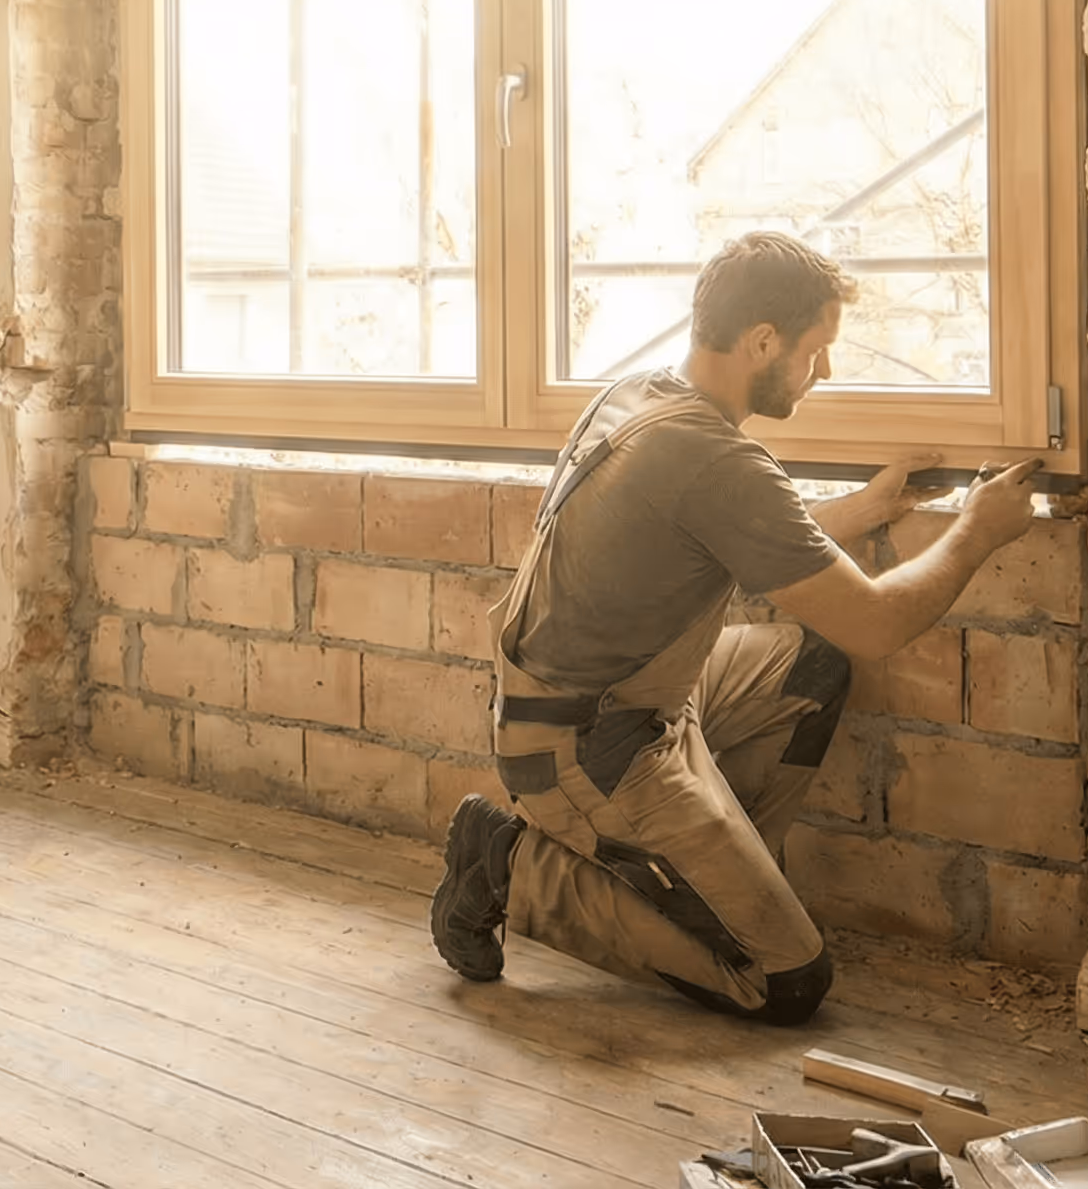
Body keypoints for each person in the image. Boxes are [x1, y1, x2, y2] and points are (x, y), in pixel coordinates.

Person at [428, 230, 1042, 1024]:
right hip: (587, 751)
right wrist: (977, 531)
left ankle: (713, 885)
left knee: (810, 667)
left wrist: (868, 508)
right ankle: (511, 863)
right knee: (786, 982)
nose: (825, 372)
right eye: (817, 351)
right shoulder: (717, 461)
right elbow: (879, 624)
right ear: (762, 341)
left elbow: (716, 536)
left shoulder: (642, 394)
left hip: (619, 701)